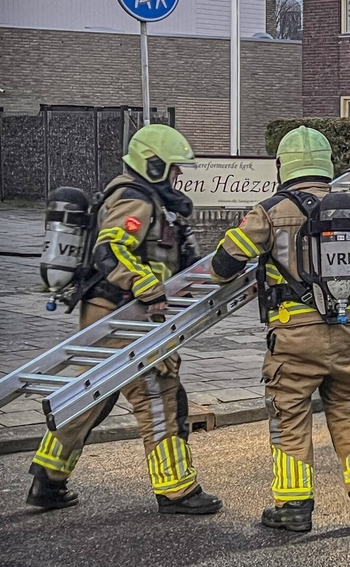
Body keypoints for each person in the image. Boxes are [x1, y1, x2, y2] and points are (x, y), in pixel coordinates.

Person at [209, 126, 350, 533]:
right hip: (348, 332)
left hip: (295, 336)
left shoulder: (270, 211)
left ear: (284, 166)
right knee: (349, 409)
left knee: (289, 415)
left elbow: (222, 266)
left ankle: (293, 507)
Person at [27, 124, 221, 514]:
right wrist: (144, 283)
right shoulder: (135, 198)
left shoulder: (144, 197)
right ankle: (177, 490)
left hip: (110, 314)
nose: (178, 177)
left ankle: (48, 480)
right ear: (153, 165)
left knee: (89, 399)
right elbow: (112, 248)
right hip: (126, 316)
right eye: (173, 169)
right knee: (160, 396)